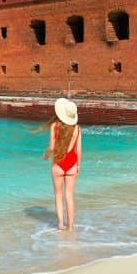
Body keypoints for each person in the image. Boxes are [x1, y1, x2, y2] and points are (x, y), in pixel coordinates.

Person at [42, 97, 82, 231]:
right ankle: (71, 227)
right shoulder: (77, 128)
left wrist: (46, 155)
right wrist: (78, 165)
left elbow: (52, 147)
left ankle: (61, 224)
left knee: (58, 195)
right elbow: (79, 149)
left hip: (58, 164)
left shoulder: (55, 126)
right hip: (72, 164)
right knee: (69, 196)